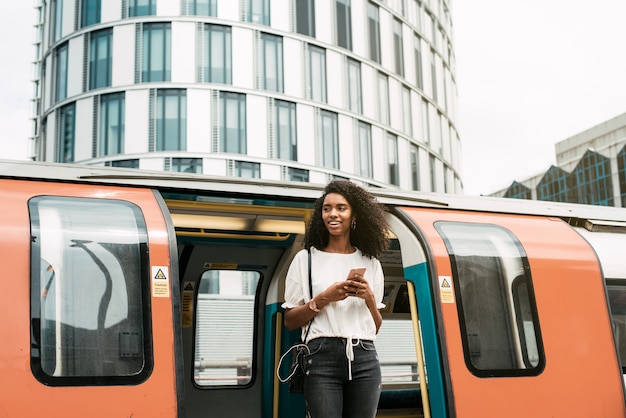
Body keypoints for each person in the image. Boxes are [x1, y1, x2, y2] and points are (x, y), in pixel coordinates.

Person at [282, 180, 390, 418]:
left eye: (341, 208)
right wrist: (322, 299)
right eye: (326, 208)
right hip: (321, 358)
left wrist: (370, 299)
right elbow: (290, 321)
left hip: (365, 357)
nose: (333, 214)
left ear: (354, 215)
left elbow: (376, 326)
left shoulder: (371, 262)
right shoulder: (305, 260)